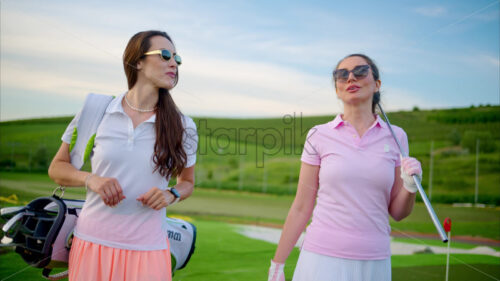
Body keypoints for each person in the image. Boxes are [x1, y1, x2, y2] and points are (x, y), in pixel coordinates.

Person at [48, 30, 198, 281]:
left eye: (176, 58)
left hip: (149, 250)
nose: (174, 63)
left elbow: (188, 183)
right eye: (164, 55)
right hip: (91, 245)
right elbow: (57, 169)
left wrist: (170, 194)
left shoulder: (184, 126)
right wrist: (91, 179)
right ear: (137, 61)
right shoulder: (96, 111)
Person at [268, 54, 422, 281]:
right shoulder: (318, 135)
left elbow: (399, 213)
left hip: (375, 261)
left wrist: (410, 187)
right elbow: (301, 207)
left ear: (377, 84)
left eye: (360, 71)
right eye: (342, 75)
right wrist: (277, 264)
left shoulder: (397, 136)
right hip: (321, 259)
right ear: (337, 89)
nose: (351, 78)